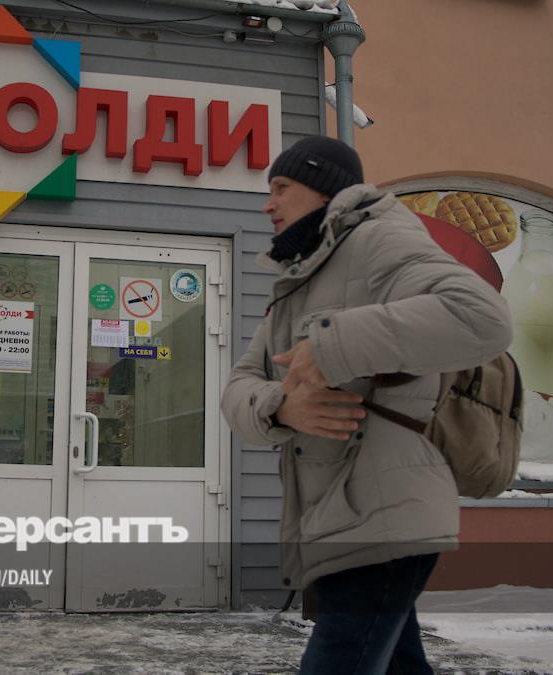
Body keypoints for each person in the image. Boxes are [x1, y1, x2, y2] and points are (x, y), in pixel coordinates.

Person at [220, 136, 511, 674]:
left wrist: (330, 346)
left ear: (325, 190)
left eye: (281, 187)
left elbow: (481, 318)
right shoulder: (300, 276)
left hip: (385, 507)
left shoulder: (379, 240)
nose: (268, 204)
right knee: (397, 662)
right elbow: (239, 384)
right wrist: (280, 407)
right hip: (333, 510)